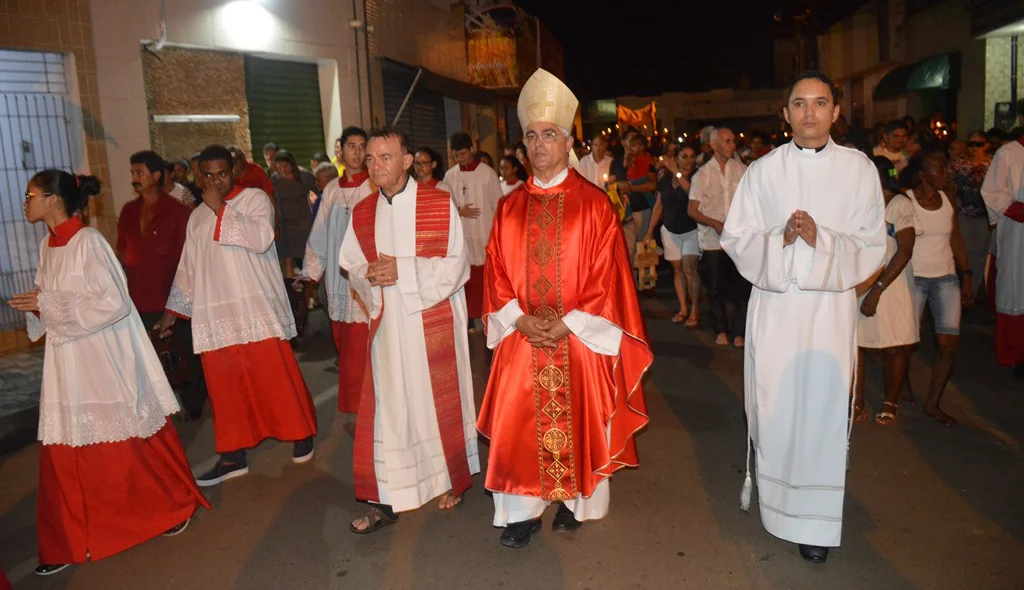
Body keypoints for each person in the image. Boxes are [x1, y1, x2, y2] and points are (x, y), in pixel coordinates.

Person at [478, 68, 652, 549]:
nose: (538, 145)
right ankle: (521, 510)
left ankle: (578, 501)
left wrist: (567, 326)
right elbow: (494, 273)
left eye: (548, 134)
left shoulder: (595, 205)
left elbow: (608, 280)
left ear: (567, 139)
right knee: (517, 420)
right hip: (522, 336)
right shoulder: (508, 207)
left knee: (582, 414)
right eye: (531, 136)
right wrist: (520, 319)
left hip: (577, 339)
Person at [720, 70, 886, 564]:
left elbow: (873, 242)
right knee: (776, 406)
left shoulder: (858, 170)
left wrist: (821, 239)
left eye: (820, 103)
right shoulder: (763, 171)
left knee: (821, 409)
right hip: (776, 306)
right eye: (799, 103)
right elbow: (737, 236)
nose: (809, 112)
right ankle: (777, 507)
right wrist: (782, 239)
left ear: (836, 112)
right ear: (785, 112)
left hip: (826, 310)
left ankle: (815, 522)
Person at [9, 170, 209, 576]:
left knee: (126, 440)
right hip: (66, 362)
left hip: (101, 358)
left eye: (30, 194)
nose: (25, 202)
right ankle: (69, 539)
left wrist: (52, 304)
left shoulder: (89, 242)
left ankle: (170, 507)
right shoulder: (49, 245)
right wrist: (37, 306)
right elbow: (52, 302)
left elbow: (115, 302)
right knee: (66, 446)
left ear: (53, 199)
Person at [339, 128, 479, 533]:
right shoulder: (363, 211)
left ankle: (451, 479)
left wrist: (403, 269)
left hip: (429, 320)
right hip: (389, 325)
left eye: (385, 157)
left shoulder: (437, 203)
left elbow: (457, 265)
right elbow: (352, 263)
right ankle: (386, 497)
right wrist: (372, 275)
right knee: (390, 408)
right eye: (370, 158)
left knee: (437, 403)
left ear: (406, 161)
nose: (376, 165)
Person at [156, 145, 318, 486]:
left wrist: (221, 209)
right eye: (209, 175)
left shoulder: (255, 199)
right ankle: (232, 456)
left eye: (223, 174)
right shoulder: (198, 216)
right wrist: (173, 312)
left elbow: (261, 239)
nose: (216, 181)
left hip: (253, 308)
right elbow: (189, 267)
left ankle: (300, 433)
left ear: (234, 172)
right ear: (200, 176)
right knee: (226, 390)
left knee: (274, 379)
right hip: (215, 314)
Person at [119, 150, 207, 420]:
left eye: (140, 173)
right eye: (132, 173)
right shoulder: (128, 211)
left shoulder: (178, 212)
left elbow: (190, 259)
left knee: (184, 356)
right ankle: (161, 404)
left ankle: (194, 401)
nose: (134, 178)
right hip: (139, 297)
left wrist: (180, 301)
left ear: (156, 176)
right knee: (148, 357)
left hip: (174, 297)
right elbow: (122, 251)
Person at [298, 127, 373, 413]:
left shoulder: (376, 186)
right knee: (344, 343)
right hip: (338, 282)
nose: (357, 152)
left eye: (362, 146)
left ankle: (365, 406)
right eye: (351, 146)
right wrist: (309, 276)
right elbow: (319, 236)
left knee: (362, 348)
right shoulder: (331, 190)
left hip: (367, 279)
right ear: (340, 150)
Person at [904, 149, 973, 425]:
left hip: (946, 278)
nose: (945, 173)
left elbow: (955, 237)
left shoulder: (948, 199)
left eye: (945, 168)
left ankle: (933, 403)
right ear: (922, 175)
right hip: (915, 278)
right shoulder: (906, 201)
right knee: (907, 342)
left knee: (948, 343)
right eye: (938, 169)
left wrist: (966, 273)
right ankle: (902, 385)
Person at [854, 156, 919, 425]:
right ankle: (856, 402)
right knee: (856, 345)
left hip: (890, 285)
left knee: (893, 346)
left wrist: (877, 290)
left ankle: (890, 400)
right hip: (861, 282)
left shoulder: (899, 204)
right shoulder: (860, 205)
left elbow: (904, 251)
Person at [689, 127, 749, 347]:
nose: (732, 145)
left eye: (733, 141)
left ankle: (739, 331)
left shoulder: (742, 170)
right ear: (714, 145)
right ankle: (721, 330)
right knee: (716, 289)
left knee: (743, 287)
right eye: (727, 141)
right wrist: (714, 223)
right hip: (712, 240)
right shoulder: (702, 175)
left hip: (738, 240)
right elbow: (692, 210)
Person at [443, 131, 503, 331]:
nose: (460, 159)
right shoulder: (450, 176)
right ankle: (467, 321)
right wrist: (460, 210)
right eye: (457, 155)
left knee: (486, 280)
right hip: (463, 238)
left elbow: (498, 205)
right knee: (466, 281)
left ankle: (488, 319)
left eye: (464, 154)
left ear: (472, 150)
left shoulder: (487, 173)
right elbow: (444, 207)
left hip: (485, 234)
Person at [981, 119, 1024, 379]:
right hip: (1018, 235)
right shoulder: (1007, 153)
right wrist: (1019, 209)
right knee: (1016, 288)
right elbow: (992, 191)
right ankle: (1015, 355)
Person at [649, 144, 701, 327]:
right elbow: (659, 206)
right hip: (670, 229)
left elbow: (691, 192)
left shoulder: (698, 175)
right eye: (684, 156)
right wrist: (649, 232)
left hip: (691, 229)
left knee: (689, 269)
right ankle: (683, 308)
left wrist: (677, 173)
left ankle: (694, 310)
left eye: (692, 156)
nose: (689, 160)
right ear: (676, 158)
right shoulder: (664, 177)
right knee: (677, 269)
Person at [950, 130, 993, 299]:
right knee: (964, 250)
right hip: (963, 212)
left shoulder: (992, 163)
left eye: (978, 144)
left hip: (985, 214)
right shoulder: (958, 164)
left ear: (986, 145)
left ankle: (973, 291)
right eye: (971, 144)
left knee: (981, 253)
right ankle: (964, 289)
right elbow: (950, 188)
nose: (974, 148)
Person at [270, 150, 316, 278]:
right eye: (279, 168)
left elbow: (320, 191)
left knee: (307, 258)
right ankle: (292, 292)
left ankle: (311, 291)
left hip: (303, 224)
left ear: (292, 164)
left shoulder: (304, 176)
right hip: (285, 225)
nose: (282, 170)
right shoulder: (275, 179)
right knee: (286, 258)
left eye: (285, 166)